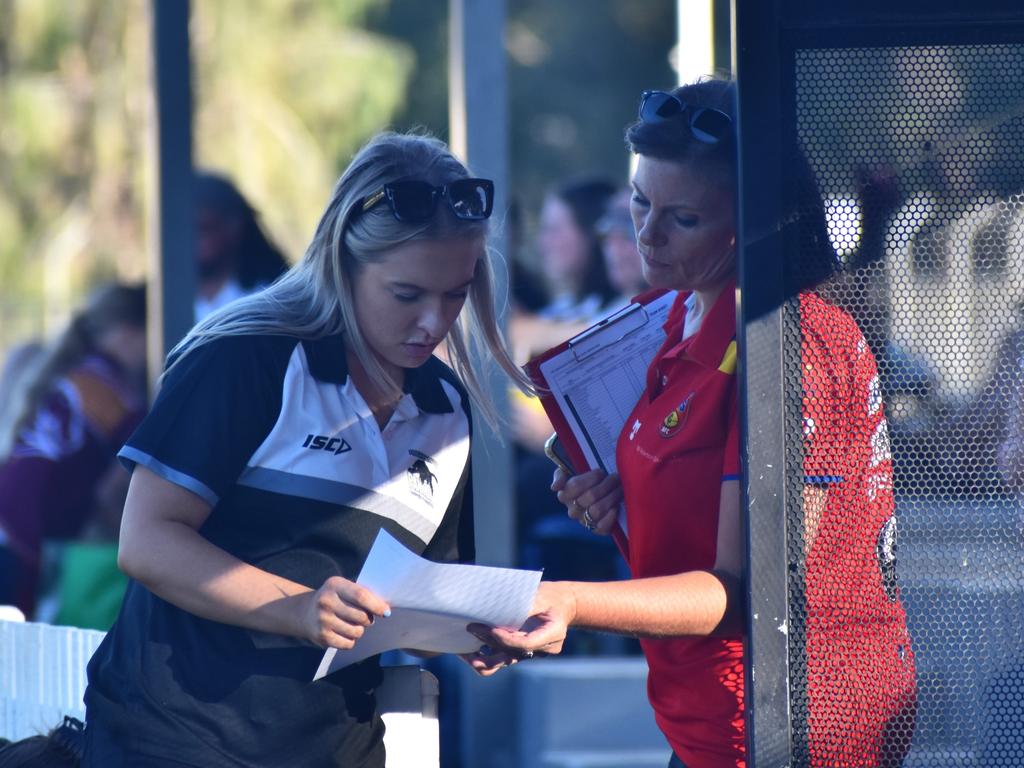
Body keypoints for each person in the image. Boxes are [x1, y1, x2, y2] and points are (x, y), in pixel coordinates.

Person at [476, 79, 917, 768]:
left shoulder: (793, 346)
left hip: (792, 726)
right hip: (710, 714)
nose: (647, 235)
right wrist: (621, 499)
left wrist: (565, 600)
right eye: (640, 203)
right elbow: (696, 493)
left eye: (682, 219)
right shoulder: (681, 315)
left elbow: (756, 587)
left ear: (754, 224)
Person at [80, 132, 530, 767]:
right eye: (407, 295)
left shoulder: (446, 407)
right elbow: (147, 541)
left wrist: (474, 632)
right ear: (343, 264)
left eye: (455, 293)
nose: (434, 321)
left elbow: (418, 603)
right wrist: (294, 607)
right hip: (173, 738)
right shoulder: (246, 357)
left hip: (339, 748)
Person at [0, 283, 147, 617]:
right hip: (25, 544)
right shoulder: (114, 394)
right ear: (128, 332)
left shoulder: (74, 375)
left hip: (12, 529)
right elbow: (134, 476)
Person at [193, 171, 289, 321]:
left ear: (234, 226)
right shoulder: (157, 302)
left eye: (204, 228)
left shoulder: (270, 298)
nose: (192, 240)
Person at [597, 186, 648, 313]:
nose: (614, 240)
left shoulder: (688, 313)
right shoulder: (603, 316)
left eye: (629, 223)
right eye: (609, 222)